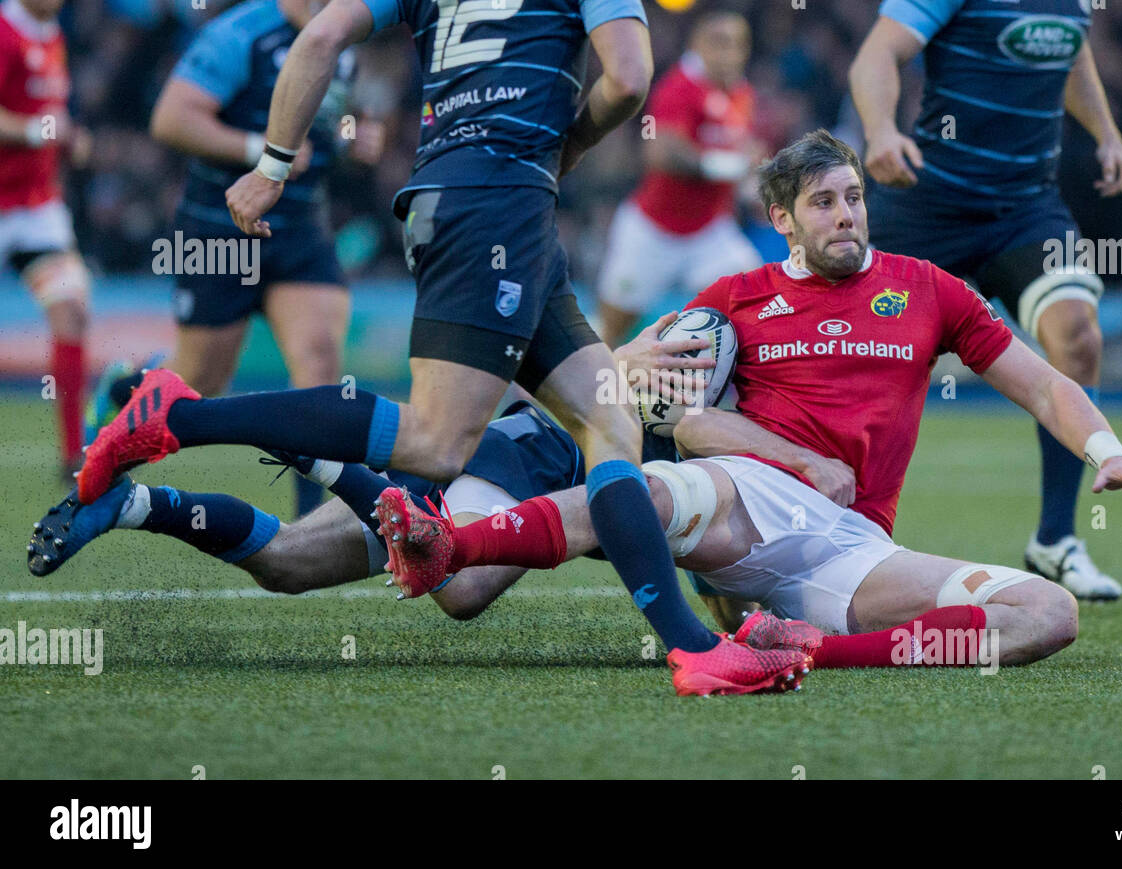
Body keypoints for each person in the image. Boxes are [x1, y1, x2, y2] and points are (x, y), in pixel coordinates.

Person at [75, 0, 810, 696]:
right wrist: (571, 145)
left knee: (608, 420)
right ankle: (182, 415)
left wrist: (271, 166)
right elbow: (629, 77)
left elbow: (320, 36)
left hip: (455, 194)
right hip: (500, 198)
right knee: (433, 442)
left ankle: (692, 651)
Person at [370, 132, 1122, 672]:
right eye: (824, 203)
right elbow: (662, 410)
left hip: (851, 546)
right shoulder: (734, 297)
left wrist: (1112, 452)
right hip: (752, 495)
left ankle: (799, 650)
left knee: (1047, 612)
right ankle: (450, 547)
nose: (847, 215)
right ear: (782, 218)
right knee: (639, 488)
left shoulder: (930, 291)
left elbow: (1041, 382)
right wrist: (783, 451)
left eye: (854, 197)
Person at [849, 0, 1122, 599]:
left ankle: (1056, 540)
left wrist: (1107, 134)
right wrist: (881, 131)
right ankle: (823, 528)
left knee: (1078, 337)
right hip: (928, 199)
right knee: (858, 357)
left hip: (1026, 209)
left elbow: (1070, 49)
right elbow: (876, 54)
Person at [84, 0, 384, 517]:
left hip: (301, 231)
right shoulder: (238, 35)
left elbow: (342, 119)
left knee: (318, 363)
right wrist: (264, 153)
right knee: (201, 382)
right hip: (219, 230)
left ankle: (309, 522)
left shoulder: (341, 34)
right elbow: (171, 119)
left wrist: (357, 139)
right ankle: (125, 386)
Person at [595, 9, 762, 345]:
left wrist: (753, 179)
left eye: (737, 44)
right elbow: (659, 154)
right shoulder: (679, 87)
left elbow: (745, 151)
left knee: (755, 303)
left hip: (710, 231)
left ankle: (737, 392)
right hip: (655, 230)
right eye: (719, 42)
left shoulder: (742, 93)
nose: (729, 52)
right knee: (612, 328)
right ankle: (580, 389)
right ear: (696, 44)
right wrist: (727, 167)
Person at [0, 0, 92, 483]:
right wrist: (43, 130)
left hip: (36, 209)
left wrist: (69, 137)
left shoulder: (51, 31)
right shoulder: (4, 32)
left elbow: (50, 112)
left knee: (71, 312)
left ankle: (74, 454)